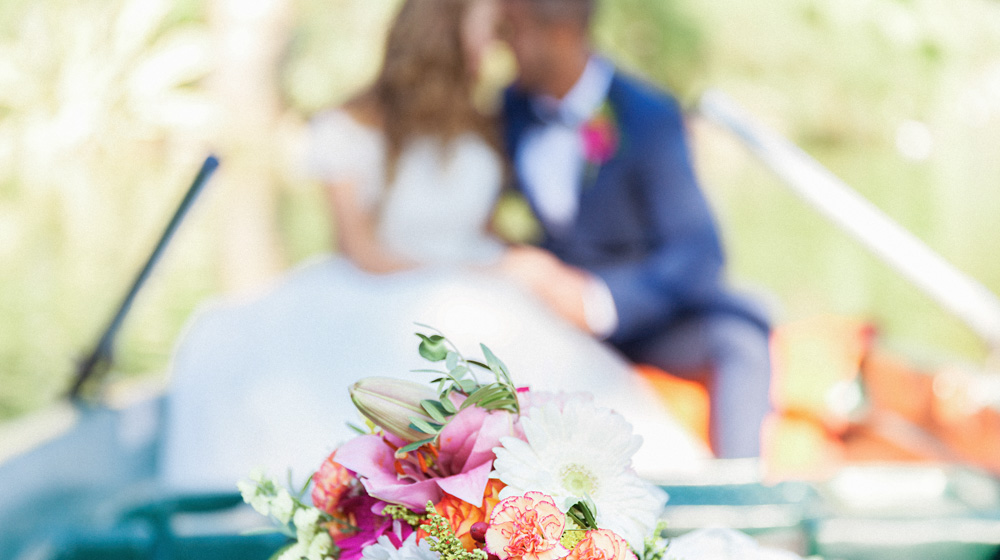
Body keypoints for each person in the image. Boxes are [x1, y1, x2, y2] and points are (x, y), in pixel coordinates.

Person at [161, 0, 708, 490]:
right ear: (447, 30)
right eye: (487, 28)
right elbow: (363, 252)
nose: (496, 44)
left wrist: (522, 265)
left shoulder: (485, 121)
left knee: (553, 381)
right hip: (386, 286)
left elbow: (490, 225)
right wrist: (478, 271)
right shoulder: (348, 126)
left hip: (487, 286)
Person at [497, 0, 772, 459]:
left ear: (562, 33)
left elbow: (700, 253)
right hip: (547, 322)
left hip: (638, 318)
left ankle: (740, 499)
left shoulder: (650, 118)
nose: (503, 45)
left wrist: (598, 302)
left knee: (740, 340)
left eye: (514, 30)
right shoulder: (510, 110)